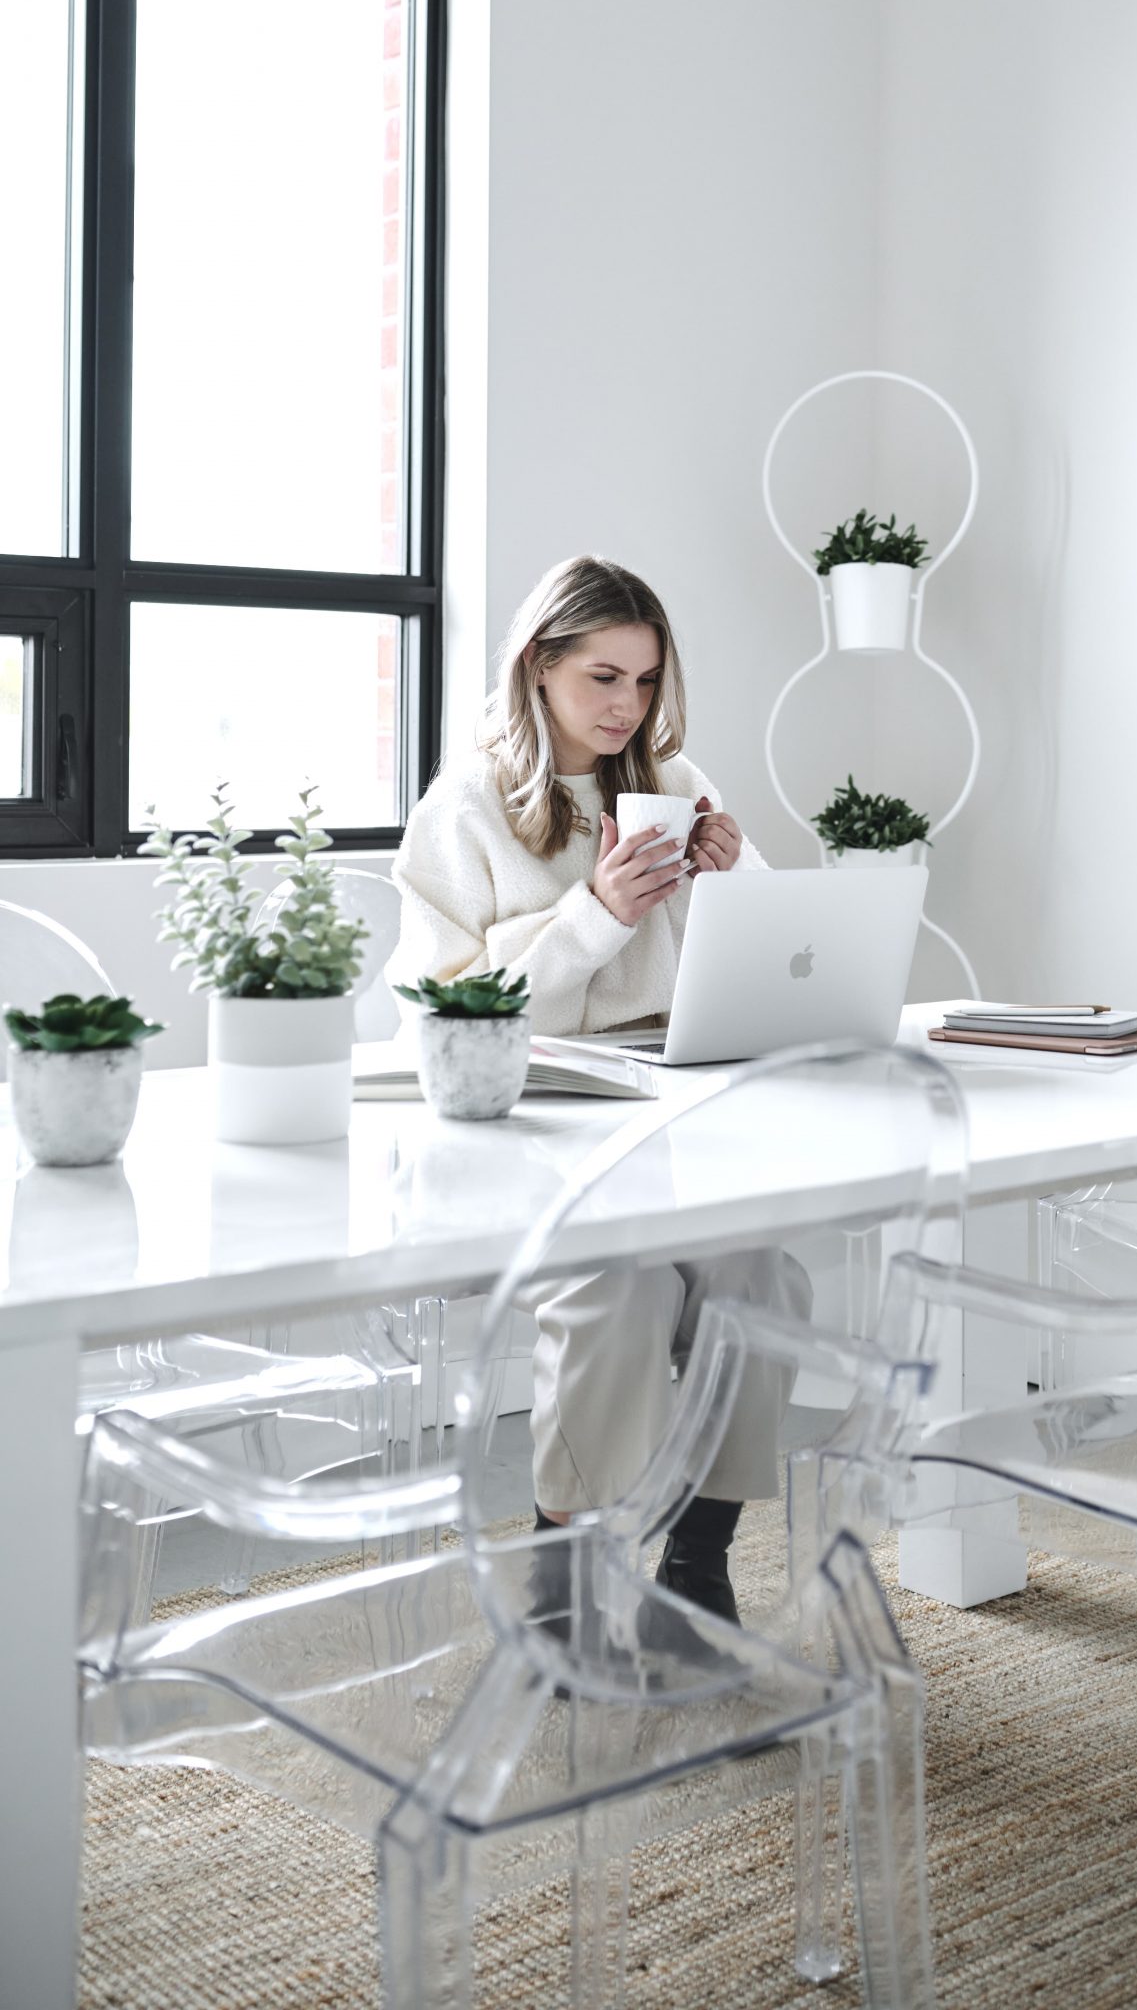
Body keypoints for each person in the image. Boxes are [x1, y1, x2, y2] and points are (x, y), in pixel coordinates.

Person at [391, 553, 808, 1619]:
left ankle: (699, 1559)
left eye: (649, 681)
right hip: (533, 1115)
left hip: (670, 1097)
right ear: (538, 667)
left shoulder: (673, 782)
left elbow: (772, 955)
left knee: (757, 1272)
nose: (631, 707)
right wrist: (597, 914)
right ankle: (565, 1576)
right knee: (619, 1286)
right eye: (605, 678)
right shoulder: (467, 805)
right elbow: (445, 1011)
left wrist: (734, 877)